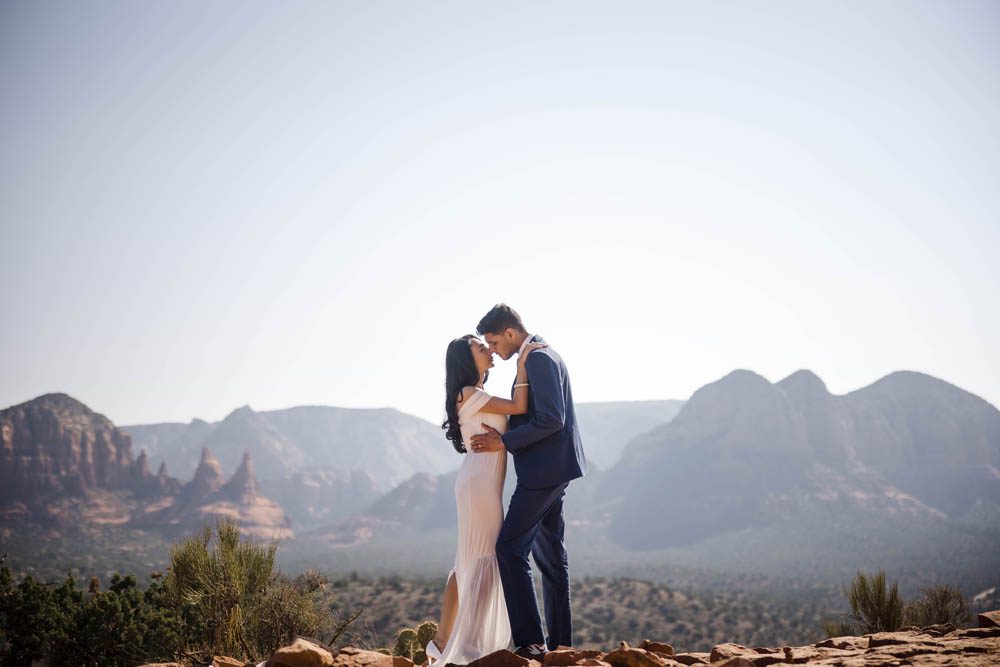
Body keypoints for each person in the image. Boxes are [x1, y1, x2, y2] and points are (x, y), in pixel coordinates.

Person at [469, 304, 587, 658]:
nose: (492, 349)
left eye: (493, 341)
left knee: (509, 549)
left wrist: (503, 441)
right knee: (550, 556)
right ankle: (561, 643)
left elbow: (552, 418)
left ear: (509, 333)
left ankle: (531, 642)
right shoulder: (538, 355)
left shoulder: (538, 359)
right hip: (552, 469)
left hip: (543, 473)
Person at [428, 333, 546, 665]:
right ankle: (469, 643)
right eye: (482, 349)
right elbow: (519, 407)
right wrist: (523, 365)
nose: (489, 351)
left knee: (469, 557)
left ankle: (442, 640)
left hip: (479, 482)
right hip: (478, 484)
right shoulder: (470, 393)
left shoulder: (474, 394)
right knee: (483, 556)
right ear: (468, 359)